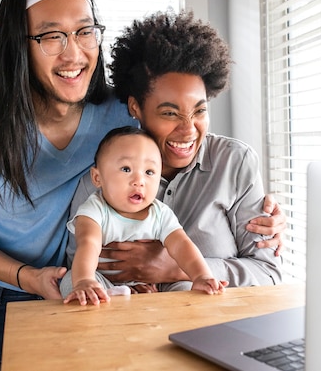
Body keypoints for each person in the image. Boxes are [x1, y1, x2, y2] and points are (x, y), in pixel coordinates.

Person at [0, 0, 283, 371]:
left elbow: (184, 142)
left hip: (98, 295)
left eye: (84, 31)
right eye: (51, 36)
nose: (74, 52)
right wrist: (28, 277)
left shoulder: (122, 116)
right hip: (7, 294)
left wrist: (263, 217)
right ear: (19, 45)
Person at [70, 10, 283, 292]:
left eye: (199, 111)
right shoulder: (103, 172)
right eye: (170, 113)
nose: (188, 129)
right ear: (136, 108)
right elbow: (79, 267)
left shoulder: (235, 163)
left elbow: (268, 272)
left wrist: (175, 268)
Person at [60, 126, 227, 305]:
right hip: (105, 283)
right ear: (97, 178)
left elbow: (181, 245)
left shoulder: (160, 213)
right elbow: (88, 243)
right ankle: (108, 297)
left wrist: (201, 275)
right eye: (126, 169)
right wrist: (85, 280)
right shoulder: (94, 210)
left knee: (186, 288)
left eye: (149, 172)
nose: (139, 181)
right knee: (71, 281)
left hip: (154, 286)